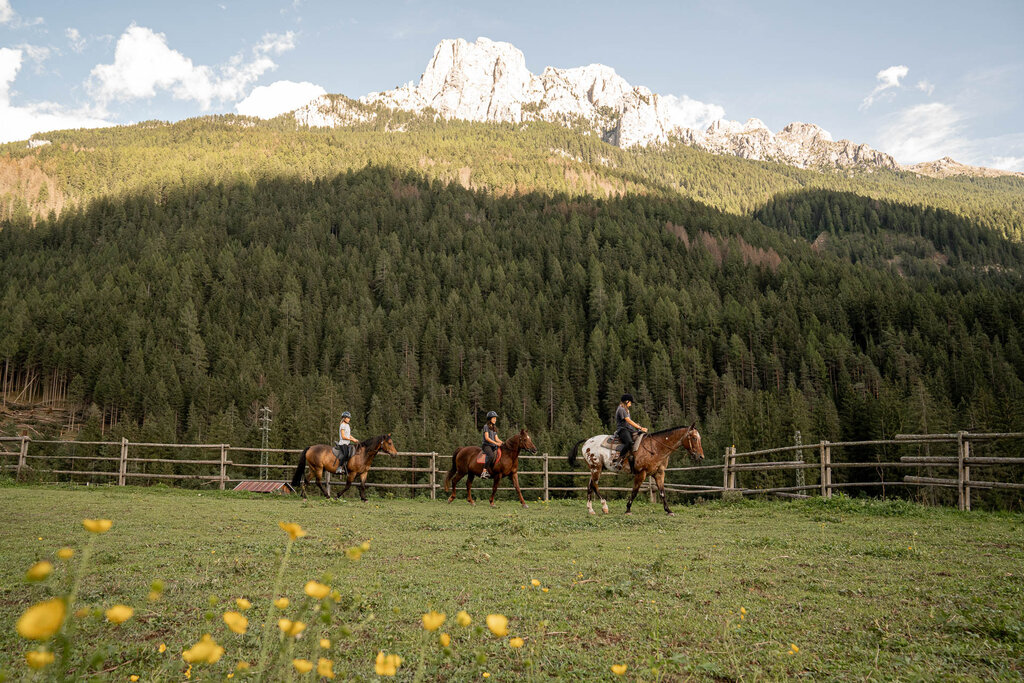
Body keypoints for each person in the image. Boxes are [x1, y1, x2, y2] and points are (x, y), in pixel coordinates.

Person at [615, 394, 647, 471]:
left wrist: (637, 429)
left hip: (629, 429)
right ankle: (619, 460)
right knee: (629, 442)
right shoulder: (621, 409)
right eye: (630, 402)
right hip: (622, 430)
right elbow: (628, 421)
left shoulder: (626, 410)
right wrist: (640, 427)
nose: (631, 404)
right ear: (627, 401)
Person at [479, 410, 503, 479]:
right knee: (491, 455)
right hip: (486, 446)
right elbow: (487, 438)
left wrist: (503, 443)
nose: (495, 420)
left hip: (493, 446)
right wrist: (496, 443)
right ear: (490, 419)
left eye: (495, 418)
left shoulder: (494, 428)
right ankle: (484, 472)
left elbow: (497, 438)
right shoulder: (486, 426)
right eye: (494, 418)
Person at [337, 411, 359, 475]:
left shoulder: (347, 425)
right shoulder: (342, 425)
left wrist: (355, 439)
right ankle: (339, 467)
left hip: (347, 443)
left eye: (349, 418)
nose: (349, 419)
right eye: (348, 418)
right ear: (344, 418)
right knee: (346, 454)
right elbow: (343, 436)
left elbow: (348, 435)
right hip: (343, 443)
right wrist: (352, 440)